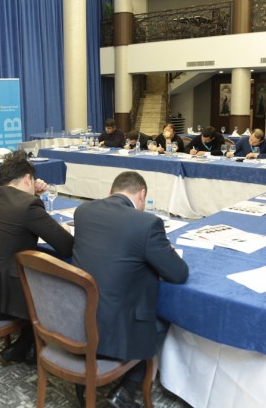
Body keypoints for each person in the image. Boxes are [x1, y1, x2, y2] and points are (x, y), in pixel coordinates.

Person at [72, 171, 189, 408]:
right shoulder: (147, 223)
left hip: (76, 320)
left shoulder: (83, 211)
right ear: (142, 194)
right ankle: (127, 390)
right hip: (113, 331)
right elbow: (178, 274)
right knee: (161, 319)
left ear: (110, 192)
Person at [0, 150, 73, 363]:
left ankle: (25, 344)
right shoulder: (27, 205)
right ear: (28, 178)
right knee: (56, 281)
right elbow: (65, 246)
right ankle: (35, 344)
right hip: (3, 297)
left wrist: (34, 195)